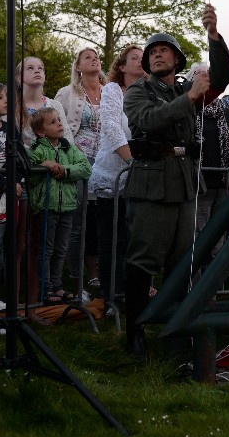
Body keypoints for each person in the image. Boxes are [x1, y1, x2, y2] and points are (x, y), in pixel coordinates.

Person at [123, 4, 229, 357]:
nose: (157, 56)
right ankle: (135, 330)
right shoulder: (138, 92)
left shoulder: (186, 88)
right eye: (152, 52)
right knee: (144, 260)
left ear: (177, 58)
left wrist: (213, 37)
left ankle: (179, 328)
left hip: (186, 182)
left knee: (184, 261)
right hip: (152, 183)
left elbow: (221, 78)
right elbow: (149, 120)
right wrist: (190, 97)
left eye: (163, 50)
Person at [88, 45, 146, 311]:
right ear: (121, 67)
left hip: (141, 176)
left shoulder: (149, 92)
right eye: (134, 58)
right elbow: (112, 126)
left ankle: (135, 293)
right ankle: (112, 295)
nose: (140, 61)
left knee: (136, 237)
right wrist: (131, 160)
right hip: (113, 175)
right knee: (111, 238)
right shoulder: (112, 90)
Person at [15, 56, 73, 307]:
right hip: (22, 178)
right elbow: (15, 144)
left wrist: (67, 164)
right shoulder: (12, 105)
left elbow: (67, 137)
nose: (37, 71)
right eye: (30, 68)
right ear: (19, 77)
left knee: (44, 240)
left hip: (50, 183)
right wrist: (39, 159)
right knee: (19, 242)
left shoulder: (53, 105)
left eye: (41, 67)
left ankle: (42, 291)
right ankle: (14, 295)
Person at [27, 108, 91, 305]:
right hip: (46, 208)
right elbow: (28, 169)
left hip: (67, 207)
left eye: (59, 121)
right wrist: (44, 165)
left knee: (61, 249)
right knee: (47, 250)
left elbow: (85, 168)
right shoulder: (36, 151)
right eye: (53, 122)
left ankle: (57, 286)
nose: (59, 124)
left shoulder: (68, 148)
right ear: (41, 132)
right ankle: (45, 289)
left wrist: (66, 171)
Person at [56, 48, 106, 294]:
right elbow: (59, 129)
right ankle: (76, 278)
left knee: (103, 222)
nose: (94, 59)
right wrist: (73, 159)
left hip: (106, 165)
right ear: (78, 67)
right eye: (87, 57)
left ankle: (101, 273)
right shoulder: (67, 94)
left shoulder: (111, 92)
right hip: (78, 164)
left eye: (96, 56)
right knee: (78, 224)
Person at [186, 63, 229, 274]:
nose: (205, 79)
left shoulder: (224, 110)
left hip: (222, 183)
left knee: (218, 235)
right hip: (199, 183)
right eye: (199, 75)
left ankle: (214, 287)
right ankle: (195, 283)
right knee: (198, 235)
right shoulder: (189, 109)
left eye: (208, 76)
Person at [0, 83, 26, 320]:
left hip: (4, 196)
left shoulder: (11, 129)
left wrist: (16, 180)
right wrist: (5, 182)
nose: (5, 100)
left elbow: (20, 157)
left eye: (6, 96)